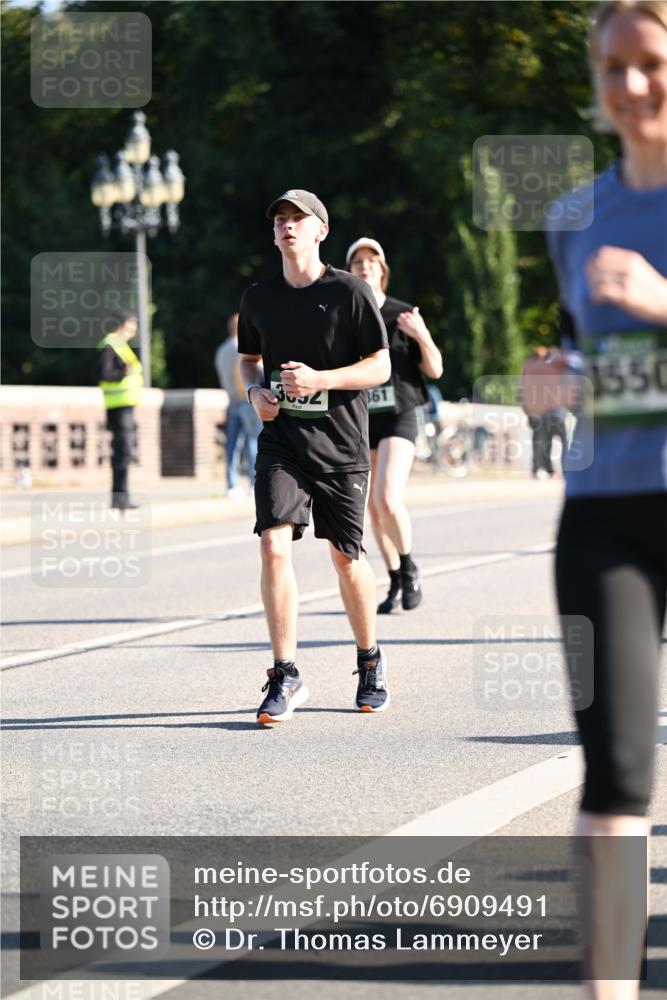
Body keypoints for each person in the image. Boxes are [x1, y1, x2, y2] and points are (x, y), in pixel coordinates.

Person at [543, 2, 667, 996]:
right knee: (617, 770)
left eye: (651, 63)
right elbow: (613, 362)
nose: (630, 87)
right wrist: (569, 373)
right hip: (606, 512)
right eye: (614, 67)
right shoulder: (572, 217)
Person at [237, 190, 391, 724]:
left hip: (342, 446)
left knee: (346, 559)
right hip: (283, 444)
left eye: (297, 219)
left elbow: (380, 367)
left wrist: (322, 380)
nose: (286, 227)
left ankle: (369, 661)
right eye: (279, 219)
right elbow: (248, 360)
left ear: (321, 230)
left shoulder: (349, 293)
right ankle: (285, 673)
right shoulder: (258, 296)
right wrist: (255, 394)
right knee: (274, 545)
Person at [346, 238, 443, 613]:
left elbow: (435, 369)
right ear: (350, 271)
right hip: (363, 417)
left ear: (382, 270)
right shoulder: (348, 315)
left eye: (372, 261)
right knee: (373, 508)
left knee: (387, 496)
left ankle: (410, 565)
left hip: (401, 413)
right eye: (358, 262)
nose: (365, 266)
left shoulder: (404, 314)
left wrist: (421, 334)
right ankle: (395, 577)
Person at [96, 309, 142, 510]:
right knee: (122, 452)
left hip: (125, 406)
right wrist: (124, 372)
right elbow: (104, 373)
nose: (134, 329)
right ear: (122, 324)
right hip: (118, 407)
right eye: (131, 324)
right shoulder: (110, 344)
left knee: (124, 452)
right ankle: (119, 498)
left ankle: (121, 497)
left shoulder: (120, 345)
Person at [214, 312, 262, 497]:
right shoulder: (241, 349)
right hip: (246, 401)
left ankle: (231, 484)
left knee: (232, 444)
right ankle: (253, 481)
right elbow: (242, 374)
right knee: (252, 442)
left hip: (231, 400)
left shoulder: (222, 349)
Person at [521, 346, 567, 479]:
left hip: (535, 410)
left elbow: (523, 388)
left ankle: (539, 468)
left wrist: (527, 408)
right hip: (552, 410)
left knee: (540, 440)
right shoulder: (552, 366)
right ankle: (560, 469)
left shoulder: (528, 366)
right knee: (560, 440)